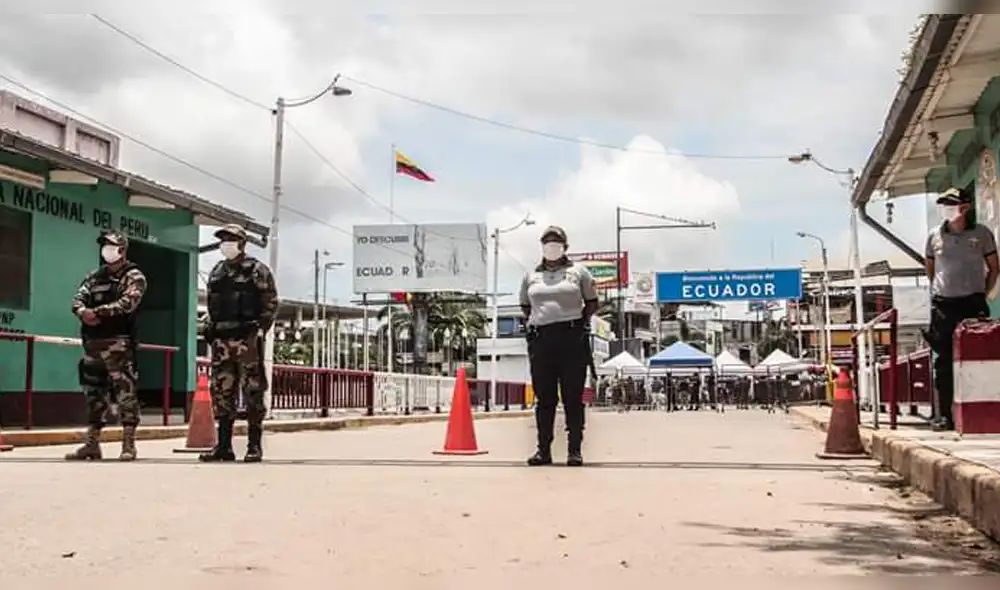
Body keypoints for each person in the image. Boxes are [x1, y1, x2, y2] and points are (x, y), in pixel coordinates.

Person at [519, 225, 598, 466]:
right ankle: (543, 450)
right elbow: (524, 305)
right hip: (541, 340)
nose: (551, 245)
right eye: (547, 241)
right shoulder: (531, 275)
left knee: (573, 398)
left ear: (565, 247)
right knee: (545, 399)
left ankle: (574, 450)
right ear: (542, 246)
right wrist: (540, 320)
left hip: (572, 338)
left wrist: (578, 321)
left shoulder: (579, 272)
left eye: (556, 241)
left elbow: (593, 302)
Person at [200, 224, 278, 463]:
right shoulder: (216, 271)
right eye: (223, 239)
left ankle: (254, 446)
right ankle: (223, 446)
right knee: (222, 392)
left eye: (231, 239)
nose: (226, 243)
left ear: (242, 243)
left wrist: (258, 330)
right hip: (222, 341)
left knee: (252, 391)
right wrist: (209, 327)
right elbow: (213, 305)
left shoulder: (257, 270)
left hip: (247, 340)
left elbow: (271, 303)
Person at [66, 231, 147, 461]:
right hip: (93, 345)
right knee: (94, 394)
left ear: (122, 250)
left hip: (118, 344)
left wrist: (98, 312)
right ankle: (92, 444)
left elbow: (128, 303)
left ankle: (128, 445)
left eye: (111, 246)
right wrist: (82, 312)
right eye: (104, 246)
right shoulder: (94, 277)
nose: (106, 250)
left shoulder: (134, 276)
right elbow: (77, 299)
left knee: (125, 394)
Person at [924, 187, 998, 431]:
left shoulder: (982, 234)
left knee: (979, 357)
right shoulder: (935, 236)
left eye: (952, 204)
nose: (947, 209)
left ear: (965, 207)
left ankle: (983, 414)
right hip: (945, 304)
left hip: (973, 302)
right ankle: (945, 415)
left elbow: (993, 268)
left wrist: (982, 294)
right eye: (944, 204)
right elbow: (931, 270)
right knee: (944, 361)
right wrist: (941, 291)